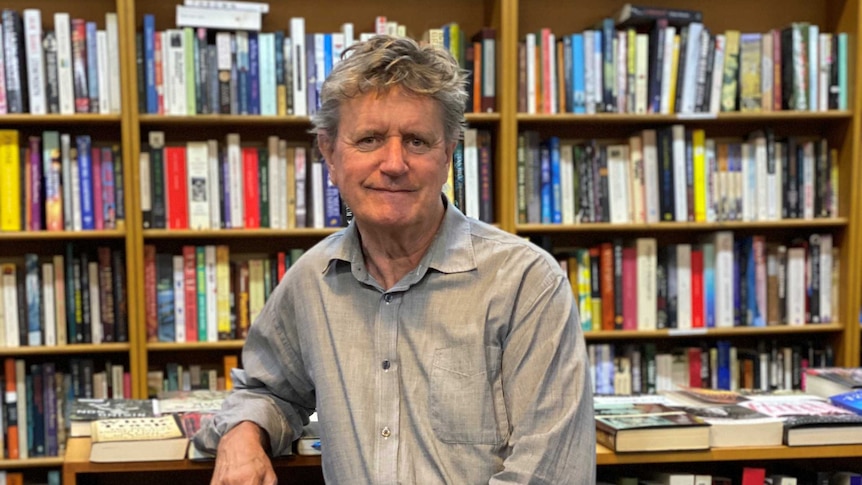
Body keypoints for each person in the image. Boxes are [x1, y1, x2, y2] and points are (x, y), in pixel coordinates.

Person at [194, 34, 595, 484]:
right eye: (369, 139)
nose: (394, 163)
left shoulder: (527, 283)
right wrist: (243, 434)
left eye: (418, 142)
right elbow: (266, 390)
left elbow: (550, 475)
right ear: (329, 153)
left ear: (448, 154)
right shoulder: (313, 280)